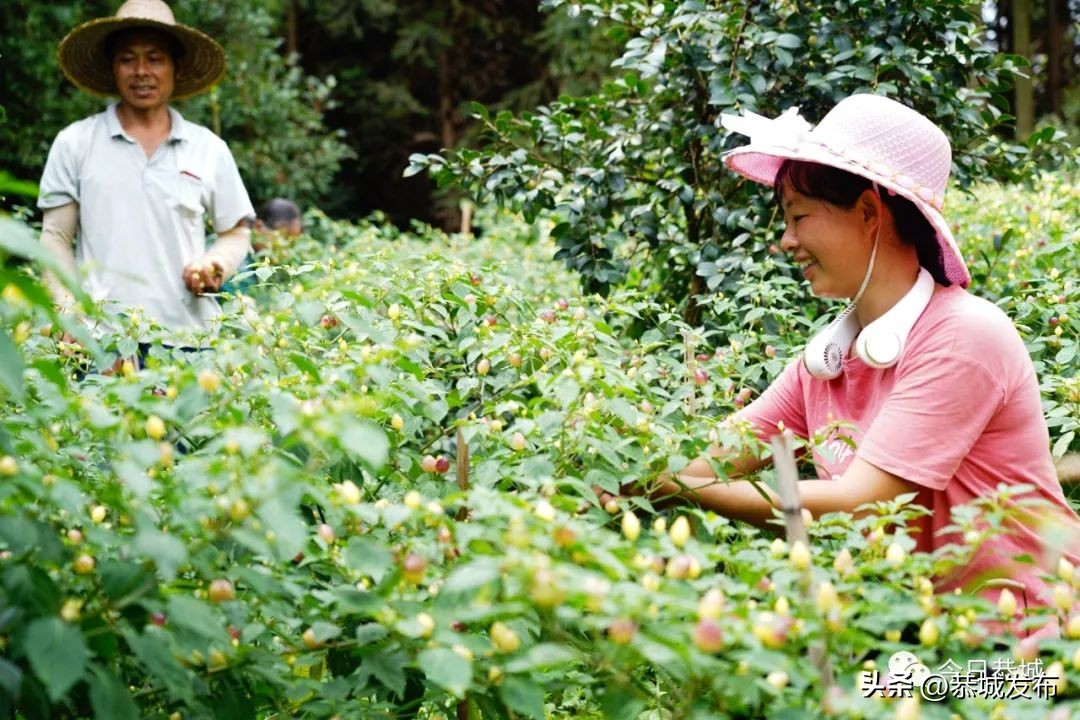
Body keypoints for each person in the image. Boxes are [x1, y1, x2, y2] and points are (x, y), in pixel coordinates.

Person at [608, 94, 1080, 628]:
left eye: (799, 216)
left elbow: (860, 502)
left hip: (1035, 647)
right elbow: (715, 457)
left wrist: (686, 489)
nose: (787, 241)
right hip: (925, 635)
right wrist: (617, 475)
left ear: (869, 212)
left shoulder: (963, 336)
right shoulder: (828, 359)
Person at [37, 0, 254, 346]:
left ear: (176, 68)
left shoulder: (209, 148)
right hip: (101, 343)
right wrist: (66, 309)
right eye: (127, 59)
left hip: (190, 343)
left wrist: (216, 263)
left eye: (155, 58)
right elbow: (55, 238)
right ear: (113, 68)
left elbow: (236, 232)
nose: (141, 71)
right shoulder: (75, 142)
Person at [220, 197, 303, 296]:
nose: (286, 251)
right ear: (258, 227)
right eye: (283, 239)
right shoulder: (235, 256)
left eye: (291, 244)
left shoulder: (262, 264)